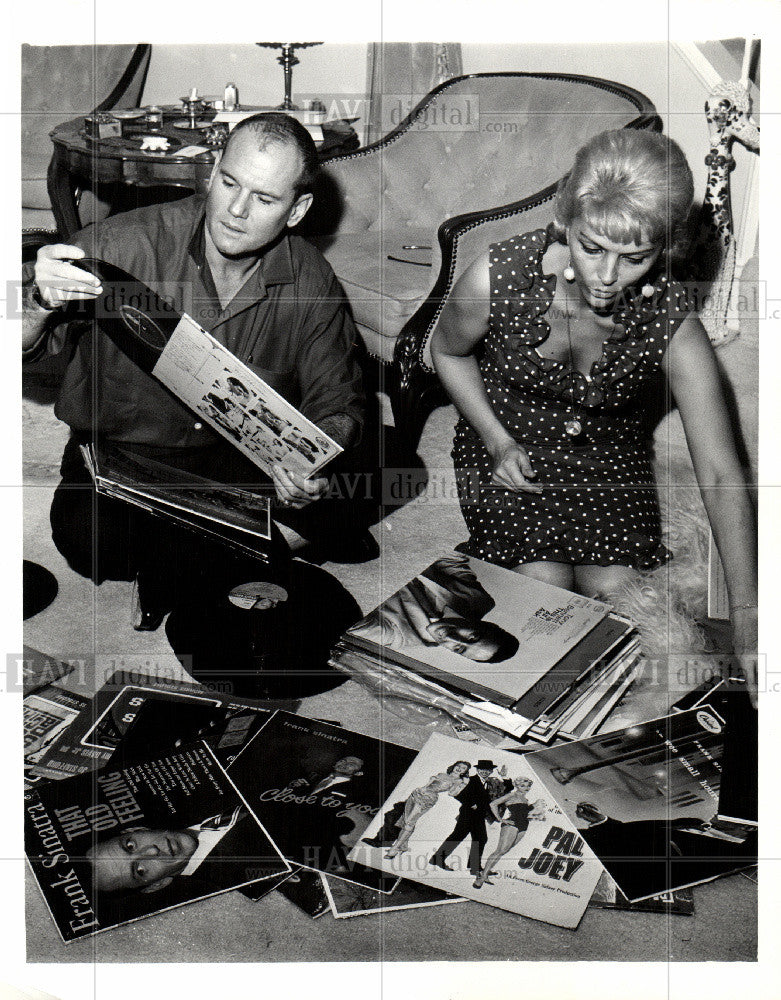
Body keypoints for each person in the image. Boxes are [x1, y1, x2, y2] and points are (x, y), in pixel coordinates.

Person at [430, 129, 757, 704]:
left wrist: (750, 613)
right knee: (544, 602)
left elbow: (722, 471)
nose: (607, 277)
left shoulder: (674, 322)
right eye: (592, 247)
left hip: (607, 464)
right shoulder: (498, 275)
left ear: (667, 248)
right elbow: (448, 352)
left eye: (635, 258)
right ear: (565, 223)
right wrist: (495, 438)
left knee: (618, 598)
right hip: (508, 451)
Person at [22, 112, 365, 627]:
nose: (236, 210)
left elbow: (339, 401)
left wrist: (309, 463)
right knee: (91, 546)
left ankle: (205, 548)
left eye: (265, 199)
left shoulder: (312, 277)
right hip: (125, 457)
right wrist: (34, 302)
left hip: (233, 457)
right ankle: (227, 545)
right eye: (229, 183)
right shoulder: (117, 245)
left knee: (361, 475)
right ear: (213, 174)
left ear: (298, 211)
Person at [351, 552, 520, 663]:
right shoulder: (479, 601)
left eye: (459, 649)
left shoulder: (401, 637)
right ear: (484, 624)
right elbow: (450, 558)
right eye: (472, 636)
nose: (451, 638)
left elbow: (349, 618)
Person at [383, 761, 470, 858]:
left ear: (465, 772)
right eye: (458, 766)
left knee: (409, 822)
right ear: (454, 766)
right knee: (405, 820)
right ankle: (403, 846)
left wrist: (464, 785)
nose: (459, 768)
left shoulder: (458, 781)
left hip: (427, 799)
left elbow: (452, 793)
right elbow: (428, 785)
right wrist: (428, 783)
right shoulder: (442, 774)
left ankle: (394, 848)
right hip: (416, 794)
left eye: (463, 768)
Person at [472, 776, 546, 888]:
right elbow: (493, 804)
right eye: (522, 785)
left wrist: (533, 805)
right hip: (512, 824)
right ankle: (481, 877)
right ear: (517, 786)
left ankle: (486, 872)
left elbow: (524, 812)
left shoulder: (525, 799)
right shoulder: (512, 795)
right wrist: (500, 819)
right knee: (500, 850)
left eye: (528, 786)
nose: (526, 788)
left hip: (524, 826)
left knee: (504, 851)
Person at [429, 759, 499, 876]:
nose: (485, 772)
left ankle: (473, 867)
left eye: (487, 770)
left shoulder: (488, 783)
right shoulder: (470, 780)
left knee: (480, 838)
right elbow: (456, 793)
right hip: (468, 813)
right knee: (459, 835)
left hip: (479, 816)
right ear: (477, 770)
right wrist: (471, 803)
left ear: (491, 771)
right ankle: (439, 859)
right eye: (482, 770)